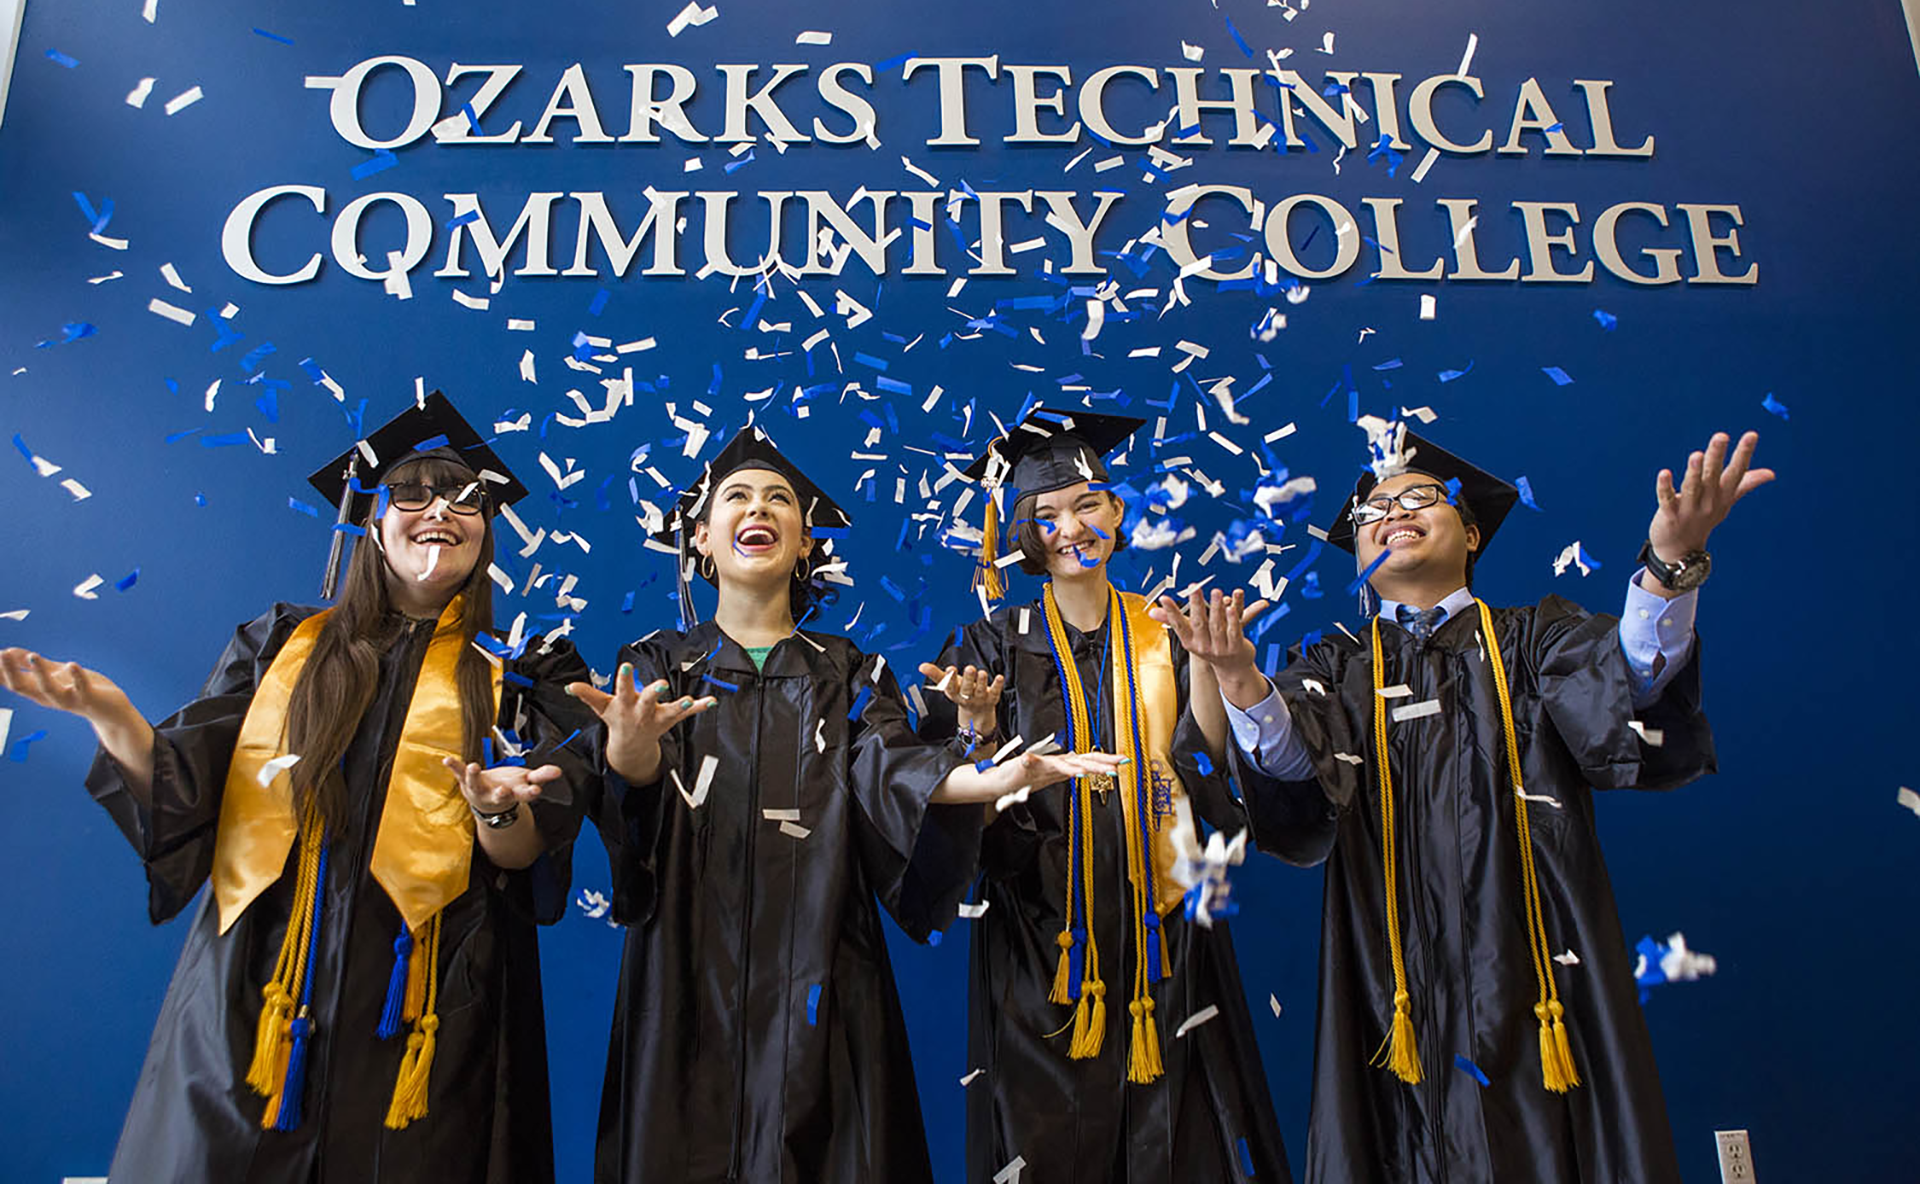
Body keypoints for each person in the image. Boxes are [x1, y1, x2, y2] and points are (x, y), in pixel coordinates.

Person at [0, 392, 600, 1184]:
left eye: (466, 499)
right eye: (412, 493)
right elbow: (181, 788)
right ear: (371, 521)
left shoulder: (525, 676)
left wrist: (493, 803)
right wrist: (110, 714)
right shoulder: (282, 645)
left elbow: (526, 855)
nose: (440, 512)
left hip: (425, 1003)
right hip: (260, 991)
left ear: (487, 534)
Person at [1214, 423, 1770, 1184]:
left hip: (1535, 972)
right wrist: (1239, 679)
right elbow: (1289, 759)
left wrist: (1670, 567)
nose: (1396, 511)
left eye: (1419, 498)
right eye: (1377, 508)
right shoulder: (1336, 665)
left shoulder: (1537, 638)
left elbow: (1632, 679)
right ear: (1362, 557)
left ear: (1470, 532)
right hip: (1392, 985)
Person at [578, 424, 1116, 1184]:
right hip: (686, 974)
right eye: (736, 497)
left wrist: (985, 778)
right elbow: (631, 788)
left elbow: (894, 768)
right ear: (700, 539)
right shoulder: (660, 665)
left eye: (779, 500)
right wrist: (629, 751)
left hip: (823, 971)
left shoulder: (849, 672)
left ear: (804, 544)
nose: (758, 506)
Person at [916, 406, 1294, 1184]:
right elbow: (959, 803)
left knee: (1185, 1140)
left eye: (1087, 505)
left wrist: (1215, 671)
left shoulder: (1166, 627)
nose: (1071, 528)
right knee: (1045, 1142)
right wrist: (977, 729)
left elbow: (1212, 768)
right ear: (1022, 533)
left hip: (1169, 929)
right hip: (1042, 941)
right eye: (1044, 515)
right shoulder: (987, 645)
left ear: (1119, 511)